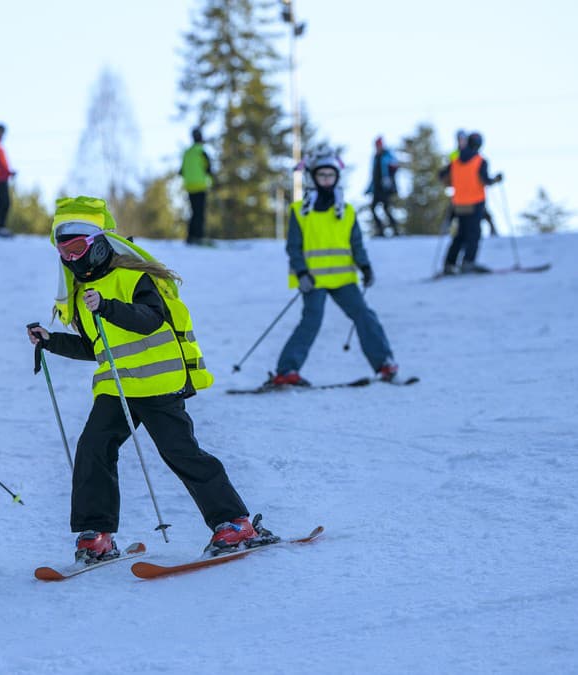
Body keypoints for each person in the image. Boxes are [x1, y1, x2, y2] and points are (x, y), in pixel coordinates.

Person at [26, 196, 271, 562]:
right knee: (94, 449)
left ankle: (235, 523)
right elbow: (97, 347)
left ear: (98, 243)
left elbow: (149, 320)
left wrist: (107, 307)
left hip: (158, 384)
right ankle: (96, 535)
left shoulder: (134, 276)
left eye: (78, 248)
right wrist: (51, 341)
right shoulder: (79, 295)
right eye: (63, 251)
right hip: (116, 387)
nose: (71, 258)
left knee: (180, 452)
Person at [267, 147, 399, 387]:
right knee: (311, 321)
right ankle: (286, 371)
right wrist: (302, 272)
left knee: (364, 315)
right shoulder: (300, 211)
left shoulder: (346, 211)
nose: (326, 180)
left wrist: (366, 267)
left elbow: (356, 244)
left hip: (343, 279)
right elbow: (293, 247)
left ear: (337, 177)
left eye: (330, 175)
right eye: (321, 176)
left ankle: (385, 364)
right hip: (313, 280)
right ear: (313, 178)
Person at [440, 132, 503, 274]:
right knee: (474, 233)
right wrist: (497, 179)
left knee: (460, 234)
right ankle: (468, 262)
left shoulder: (455, 161)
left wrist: (452, 183)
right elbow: (485, 180)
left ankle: (449, 263)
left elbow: (442, 176)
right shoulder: (480, 161)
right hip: (475, 203)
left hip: (459, 204)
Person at [179, 127, 213, 245]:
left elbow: (181, 171)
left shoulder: (187, 153)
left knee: (193, 212)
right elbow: (208, 168)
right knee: (199, 213)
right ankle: (198, 237)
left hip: (189, 186)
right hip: (200, 186)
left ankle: (191, 237)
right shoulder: (202, 152)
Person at [365, 136, 399, 237]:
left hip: (385, 188)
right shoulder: (375, 157)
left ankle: (395, 230)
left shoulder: (387, 154)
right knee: (373, 208)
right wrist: (369, 189)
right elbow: (374, 175)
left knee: (386, 208)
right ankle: (380, 230)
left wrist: (389, 179)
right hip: (377, 189)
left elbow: (395, 165)